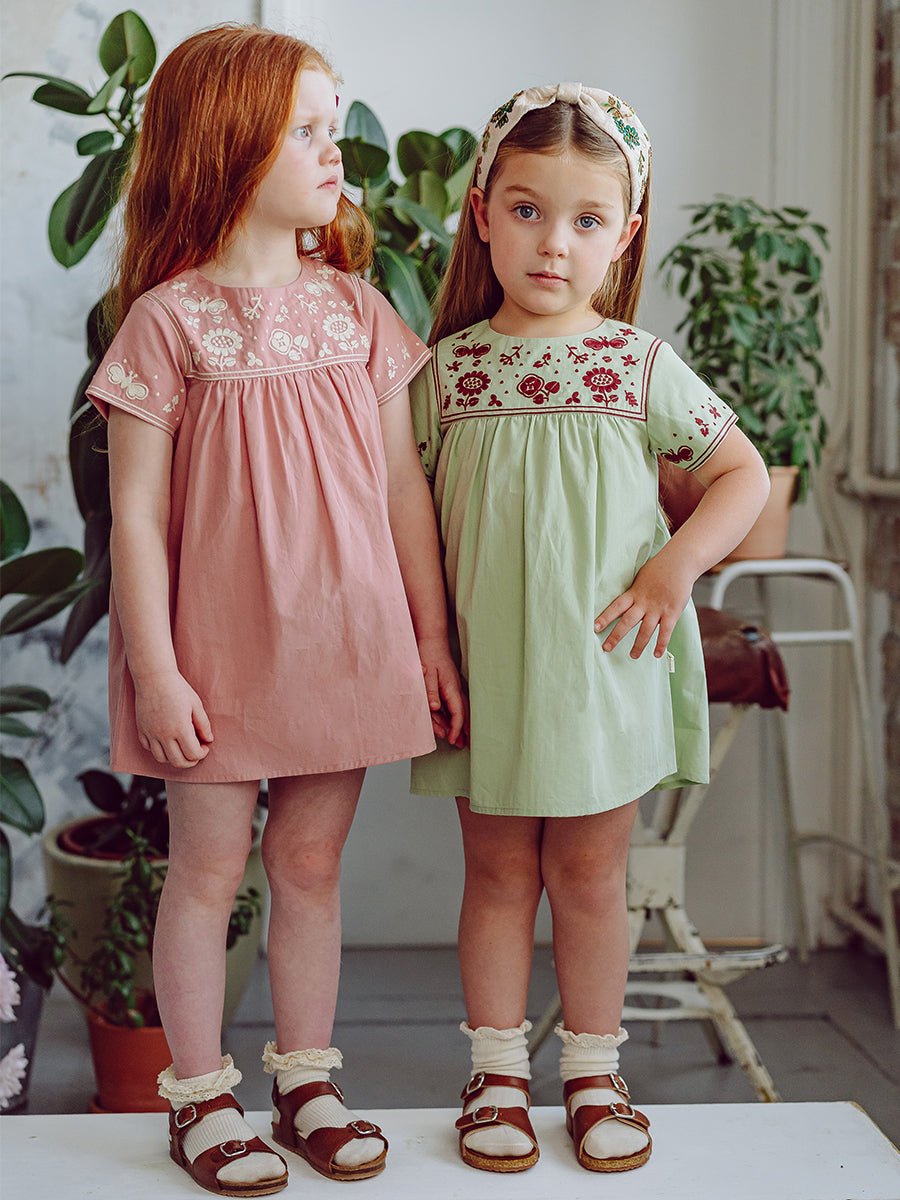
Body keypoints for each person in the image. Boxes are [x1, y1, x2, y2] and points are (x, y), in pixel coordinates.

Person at [86, 25, 465, 1196]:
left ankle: (306, 1083)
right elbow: (136, 518)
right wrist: (157, 670)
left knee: (308, 864)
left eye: (332, 123)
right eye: (305, 129)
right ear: (227, 145)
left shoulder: (357, 313)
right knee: (208, 871)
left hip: (343, 642)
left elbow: (403, 489)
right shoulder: (168, 324)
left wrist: (430, 637)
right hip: (212, 657)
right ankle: (200, 1097)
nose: (333, 149)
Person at [409, 83, 771, 1174]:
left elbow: (743, 476)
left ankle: (594, 1075)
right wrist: (429, 643)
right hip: (489, 673)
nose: (553, 243)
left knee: (590, 877)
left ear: (625, 233)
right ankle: (496, 1075)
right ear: (482, 214)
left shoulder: (637, 365)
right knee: (496, 876)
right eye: (526, 211)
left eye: (585, 219)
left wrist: (674, 568)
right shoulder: (448, 372)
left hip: (606, 670)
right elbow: (396, 513)